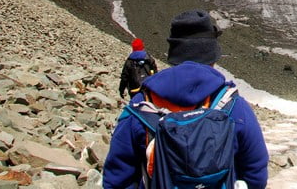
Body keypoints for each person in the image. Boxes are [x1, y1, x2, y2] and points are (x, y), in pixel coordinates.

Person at [103, 10, 269, 189]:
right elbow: (256, 173)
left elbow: (117, 179)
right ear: (212, 54)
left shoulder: (141, 106)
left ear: (174, 54)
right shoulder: (233, 106)